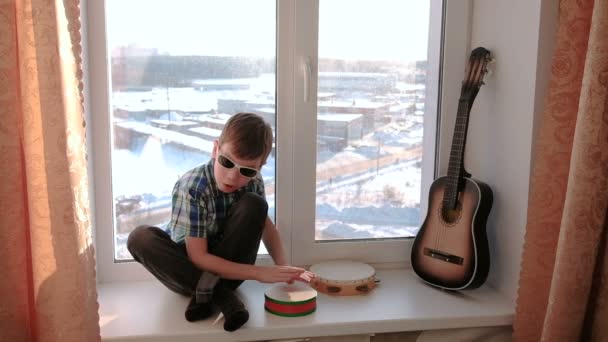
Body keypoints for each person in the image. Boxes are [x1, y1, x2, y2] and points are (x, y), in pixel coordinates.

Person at [127, 112, 313, 332]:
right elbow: (198, 257)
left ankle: (209, 296)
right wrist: (259, 273)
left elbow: (265, 226)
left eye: (247, 170)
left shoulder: (253, 182)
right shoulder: (192, 187)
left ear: (259, 168)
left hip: (229, 273)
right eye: (226, 162)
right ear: (215, 149)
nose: (232, 177)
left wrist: (284, 267)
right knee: (140, 238)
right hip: (187, 273)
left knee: (255, 204)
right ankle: (222, 297)